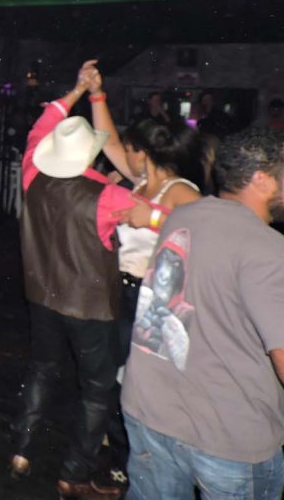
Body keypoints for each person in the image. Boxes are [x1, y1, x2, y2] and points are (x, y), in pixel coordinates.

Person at [121, 128, 284, 500]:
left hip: (149, 410)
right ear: (261, 180)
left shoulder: (183, 217)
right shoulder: (269, 249)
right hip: (226, 436)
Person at [10, 60, 144, 500]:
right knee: (97, 390)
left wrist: (78, 88)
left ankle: (22, 451)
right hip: (89, 306)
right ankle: (74, 472)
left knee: (42, 369)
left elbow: (43, 122)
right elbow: (161, 214)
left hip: (42, 296)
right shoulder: (109, 195)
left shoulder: (32, 170)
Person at [89, 79, 204, 491]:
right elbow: (108, 142)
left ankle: (138, 463)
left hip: (155, 298)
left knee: (137, 384)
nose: (125, 154)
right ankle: (125, 455)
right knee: (115, 377)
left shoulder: (180, 190)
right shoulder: (139, 184)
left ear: (144, 152)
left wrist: (152, 218)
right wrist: (96, 94)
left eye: (131, 149)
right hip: (122, 292)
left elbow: (205, 228)